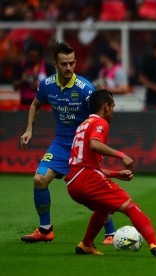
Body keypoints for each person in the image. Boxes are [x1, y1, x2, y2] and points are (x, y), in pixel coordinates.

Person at [19, 41, 116, 245]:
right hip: (61, 143)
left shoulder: (85, 89)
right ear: (55, 63)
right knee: (39, 180)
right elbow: (35, 104)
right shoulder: (47, 85)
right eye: (64, 64)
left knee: (91, 192)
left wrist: (95, 140)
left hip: (81, 146)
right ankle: (45, 230)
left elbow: (99, 117)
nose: (69, 68)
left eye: (72, 63)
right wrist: (29, 129)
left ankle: (110, 233)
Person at [65, 89, 156, 257]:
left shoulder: (83, 125)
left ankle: (86, 244)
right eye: (113, 107)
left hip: (74, 182)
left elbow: (86, 165)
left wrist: (117, 174)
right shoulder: (100, 123)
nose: (113, 111)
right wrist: (122, 155)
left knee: (104, 209)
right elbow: (94, 144)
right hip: (87, 178)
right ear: (105, 107)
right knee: (130, 206)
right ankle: (155, 243)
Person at [12, 42, 54, 107]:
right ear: (27, 55)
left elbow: (53, 88)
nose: (32, 59)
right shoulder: (20, 66)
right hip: (26, 103)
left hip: (44, 103)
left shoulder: (48, 67)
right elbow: (15, 87)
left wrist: (39, 88)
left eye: (34, 57)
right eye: (30, 56)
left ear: (40, 56)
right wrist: (22, 80)